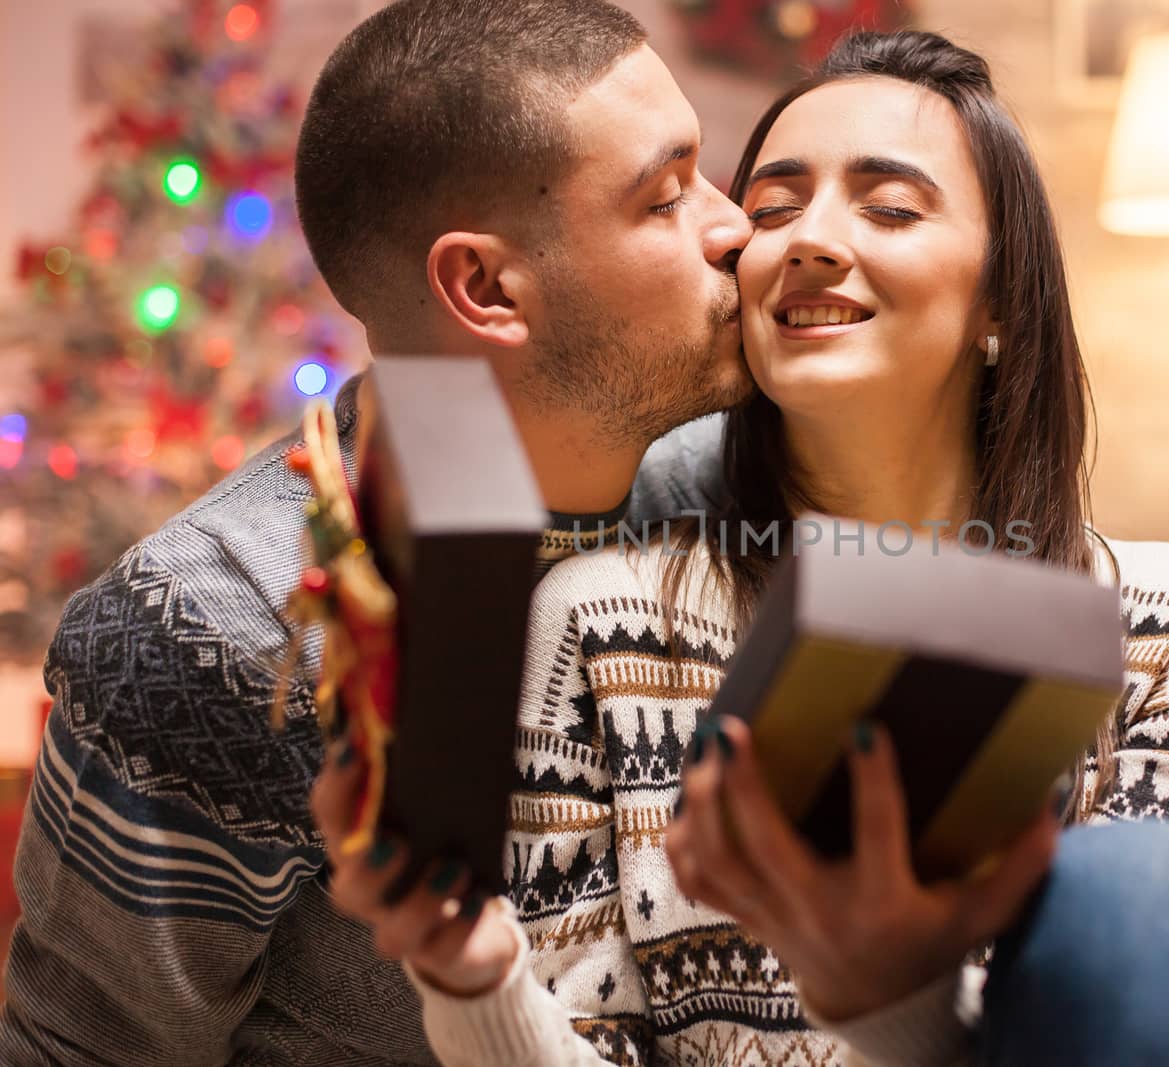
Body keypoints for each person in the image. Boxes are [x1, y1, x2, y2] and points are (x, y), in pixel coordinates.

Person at [314, 29, 1169, 1067]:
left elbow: (1137, 1020)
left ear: (1001, 310)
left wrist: (890, 1000)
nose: (807, 240)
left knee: (1139, 885)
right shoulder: (598, 618)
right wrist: (475, 973)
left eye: (888, 207)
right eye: (774, 208)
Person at [0, 1, 756, 1062]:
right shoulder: (212, 631)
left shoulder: (721, 501)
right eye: (667, 195)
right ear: (485, 286)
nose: (736, 227)